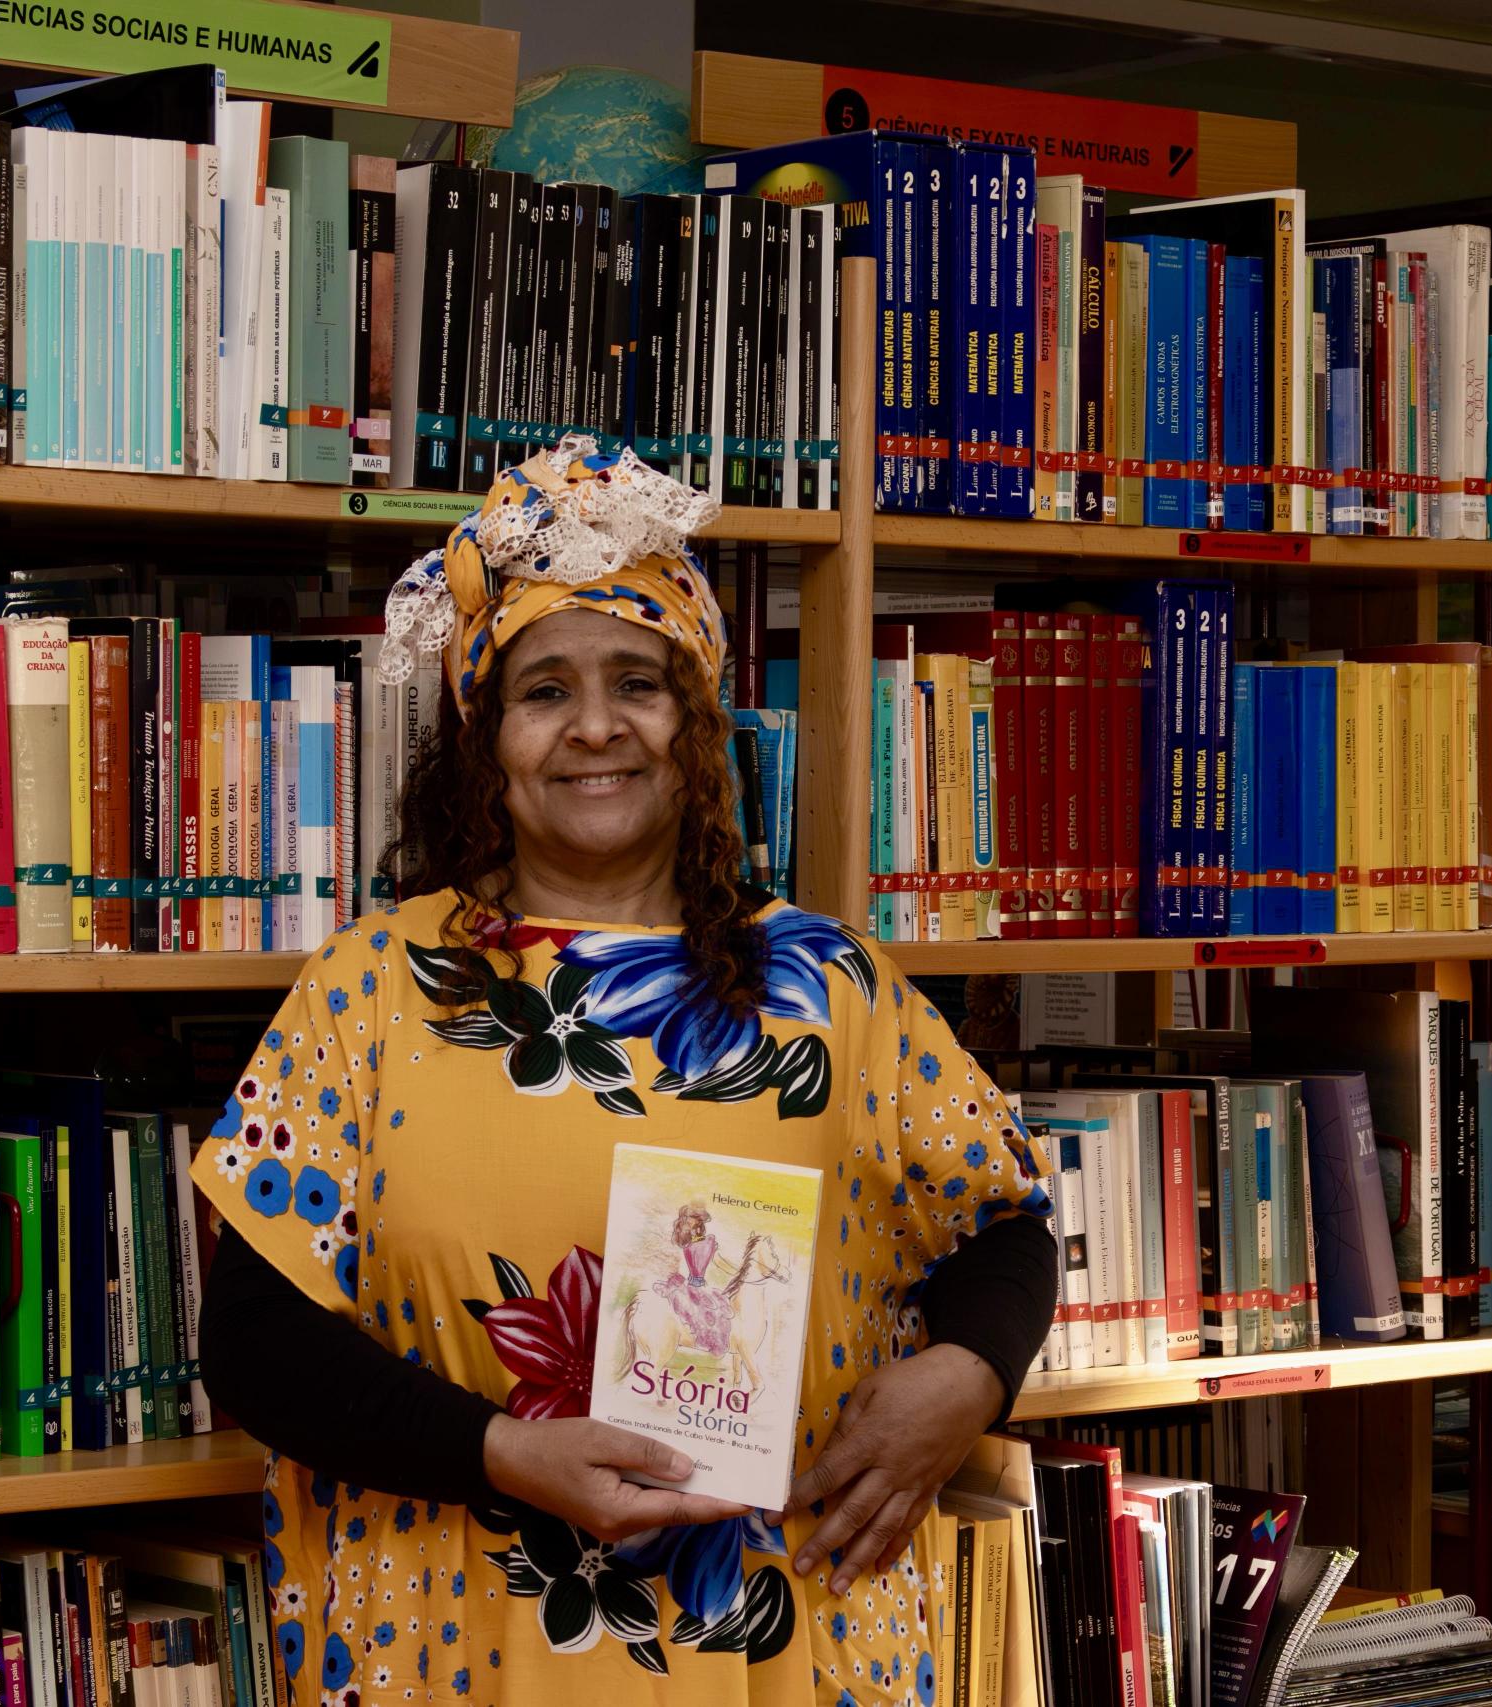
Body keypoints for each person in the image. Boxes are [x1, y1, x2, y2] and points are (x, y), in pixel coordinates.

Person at [194, 438, 1058, 1706]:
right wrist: (503, 1452)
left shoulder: (829, 985)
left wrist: (968, 1376)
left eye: (637, 684)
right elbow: (254, 1344)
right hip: (462, 1644)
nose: (595, 728)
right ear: (486, 736)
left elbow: (1003, 1225)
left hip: (777, 1641)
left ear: (694, 721)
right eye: (543, 690)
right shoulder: (371, 988)